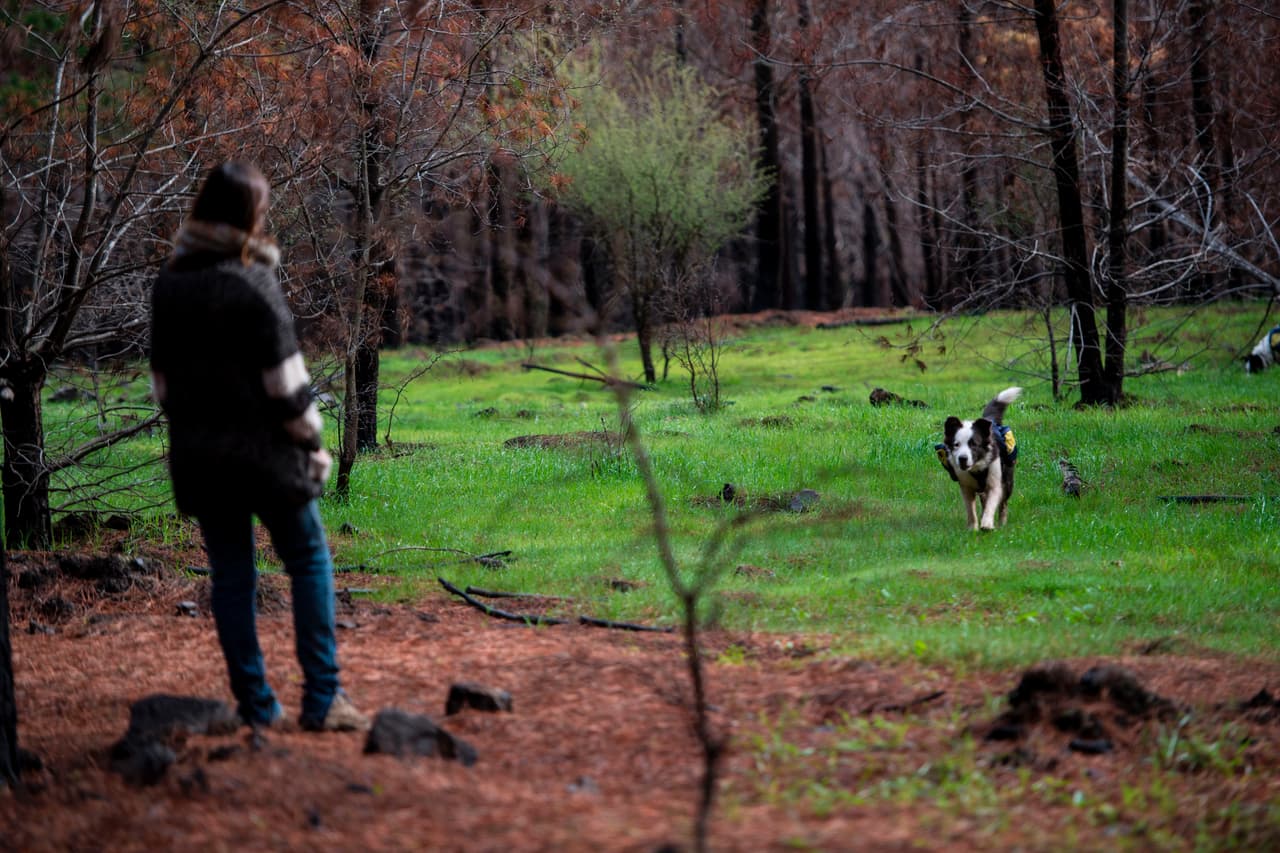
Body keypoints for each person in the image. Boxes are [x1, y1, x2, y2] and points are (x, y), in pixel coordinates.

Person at [149, 161, 368, 732]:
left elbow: (163, 389)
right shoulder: (253, 282)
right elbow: (287, 390)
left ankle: (256, 707)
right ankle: (323, 701)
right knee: (309, 559)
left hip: (202, 458)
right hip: (268, 457)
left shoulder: (169, 286)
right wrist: (315, 445)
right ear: (247, 216)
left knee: (231, 577)